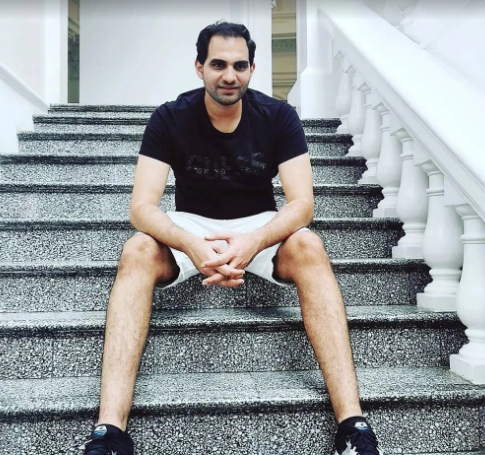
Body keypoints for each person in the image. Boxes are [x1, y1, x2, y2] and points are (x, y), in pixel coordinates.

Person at [83, 21, 383, 455]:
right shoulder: (169, 117)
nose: (229, 75)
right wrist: (190, 243)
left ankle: (353, 427)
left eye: (240, 66)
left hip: (258, 224)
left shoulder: (278, 116)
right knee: (137, 248)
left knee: (310, 245)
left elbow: (302, 205)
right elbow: (141, 208)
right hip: (190, 223)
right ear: (199, 67)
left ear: (252, 69)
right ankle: (110, 432)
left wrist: (254, 242)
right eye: (218, 64)